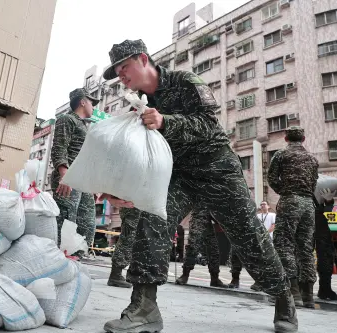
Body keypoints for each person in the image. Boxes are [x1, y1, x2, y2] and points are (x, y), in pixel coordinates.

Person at [98, 39, 297, 333]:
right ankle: (144, 307)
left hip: (218, 170)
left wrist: (166, 121)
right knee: (152, 217)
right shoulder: (138, 103)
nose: (122, 77)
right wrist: (116, 185)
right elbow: (138, 148)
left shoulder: (185, 81)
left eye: (124, 67)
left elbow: (207, 123)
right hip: (180, 176)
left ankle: (283, 298)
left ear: (143, 59)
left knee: (248, 235)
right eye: (117, 72)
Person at [268, 126, 319, 308]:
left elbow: (272, 179)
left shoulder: (281, 155)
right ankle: (309, 296)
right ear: (303, 138)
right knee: (305, 248)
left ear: (286, 138)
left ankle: (293, 292)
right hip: (308, 204)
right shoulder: (313, 159)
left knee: (284, 244)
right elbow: (314, 183)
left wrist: (286, 192)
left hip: (291, 201)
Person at [50, 88, 99, 257]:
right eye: (91, 102)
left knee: (87, 222)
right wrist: (64, 175)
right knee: (66, 220)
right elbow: (59, 147)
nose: (93, 106)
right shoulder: (67, 119)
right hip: (68, 177)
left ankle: (75, 258)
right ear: (83, 101)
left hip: (82, 181)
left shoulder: (84, 125)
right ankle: (57, 258)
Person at [175, 208, 228, 288]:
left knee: (214, 251)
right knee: (192, 249)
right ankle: (185, 275)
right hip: (198, 220)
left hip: (208, 223)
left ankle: (214, 278)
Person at [314, 188, 337, 301]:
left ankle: (325, 290)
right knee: (302, 260)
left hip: (320, 227)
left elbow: (327, 212)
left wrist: (328, 201)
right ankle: (302, 291)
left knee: (327, 258)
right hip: (305, 227)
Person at [107, 208, 140, 288]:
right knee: (129, 237)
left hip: (136, 203)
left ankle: (120, 274)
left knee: (132, 236)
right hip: (134, 203)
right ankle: (115, 275)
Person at [250, 201, 276, 291]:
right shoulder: (257, 216)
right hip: (259, 239)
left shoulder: (272, 215)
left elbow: (273, 225)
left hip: (268, 239)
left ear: (268, 206)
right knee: (259, 259)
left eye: (264, 204)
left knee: (266, 259)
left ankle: (266, 281)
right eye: (261, 204)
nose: (262, 206)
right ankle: (259, 281)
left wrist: (265, 233)